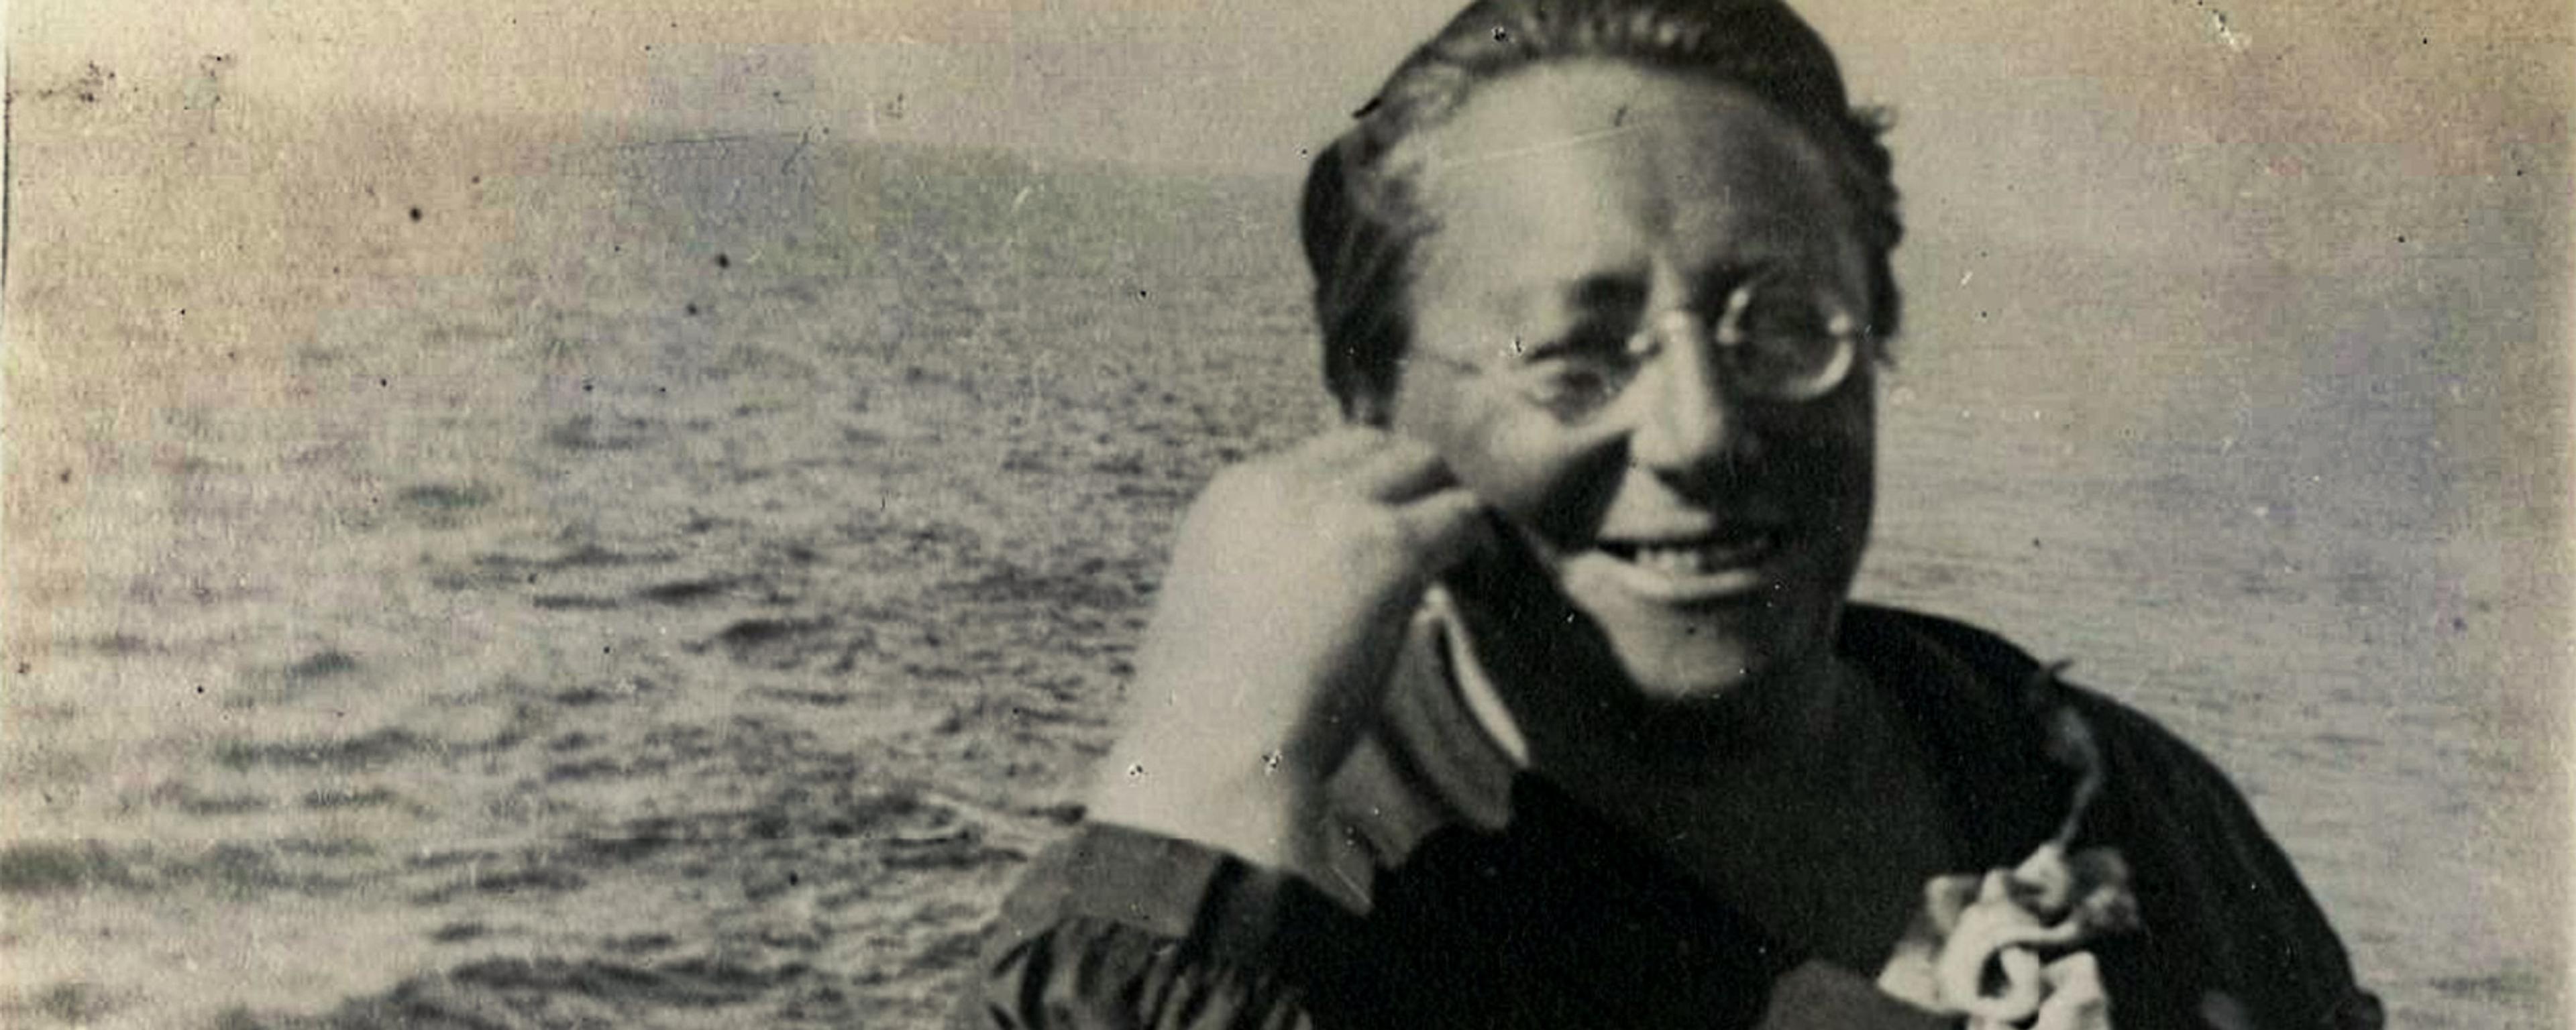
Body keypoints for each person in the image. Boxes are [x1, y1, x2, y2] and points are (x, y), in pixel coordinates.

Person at [957, 0, 2382, 1026]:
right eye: (1574, 356)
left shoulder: (2102, 792)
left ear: (1877, 340)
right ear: (1371, 402)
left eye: (1783, 327)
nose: (1702, 431)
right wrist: (1198, 788)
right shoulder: (1289, 916)